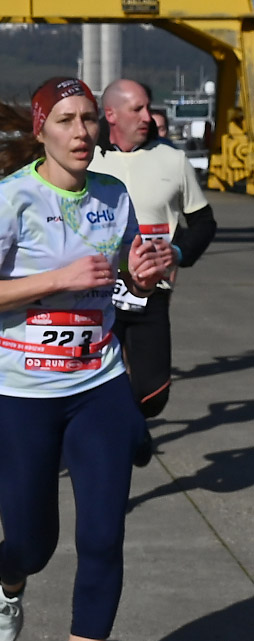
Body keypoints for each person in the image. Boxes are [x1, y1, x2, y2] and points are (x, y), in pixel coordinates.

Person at [0, 77, 167, 641]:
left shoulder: (113, 196)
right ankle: (9, 577)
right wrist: (57, 279)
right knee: (34, 542)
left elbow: (124, 282)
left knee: (102, 538)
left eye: (89, 120)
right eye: (67, 120)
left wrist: (142, 274)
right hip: (18, 394)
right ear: (40, 129)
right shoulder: (7, 199)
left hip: (98, 384)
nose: (81, 132)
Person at [90, 80, 216, 438]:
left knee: (153, 394)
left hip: (151, 290)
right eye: (138, 109)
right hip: (97, 291)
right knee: (92, 382)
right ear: (111, 114)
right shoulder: (88, 159)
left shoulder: (173, 160)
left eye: (148, 107)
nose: (148, 116)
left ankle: (130, 424)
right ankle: (115, 439)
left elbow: (204, 222)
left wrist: (177, 252)